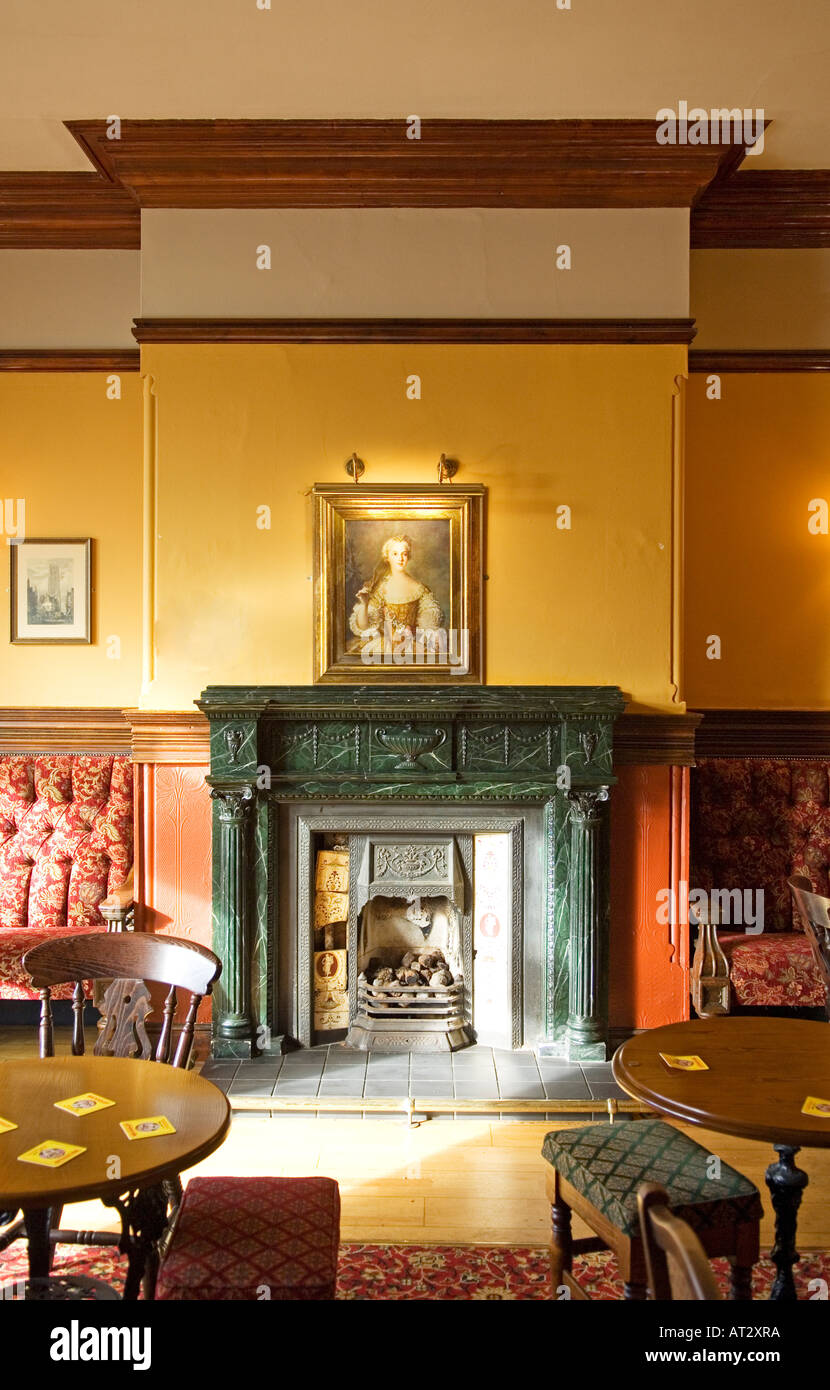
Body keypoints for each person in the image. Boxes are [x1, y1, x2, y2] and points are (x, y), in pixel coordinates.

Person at [348, 534, 444, 659]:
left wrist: (416, 633)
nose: (400, 558)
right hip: (384, 646)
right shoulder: (379, 588)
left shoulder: (420, 588)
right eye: (395, 554)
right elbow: (365, 627)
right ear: (387, 557)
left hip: (411, 646)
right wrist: (365, 604)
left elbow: (430, 620)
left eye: (404, 554)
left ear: (408, 556)